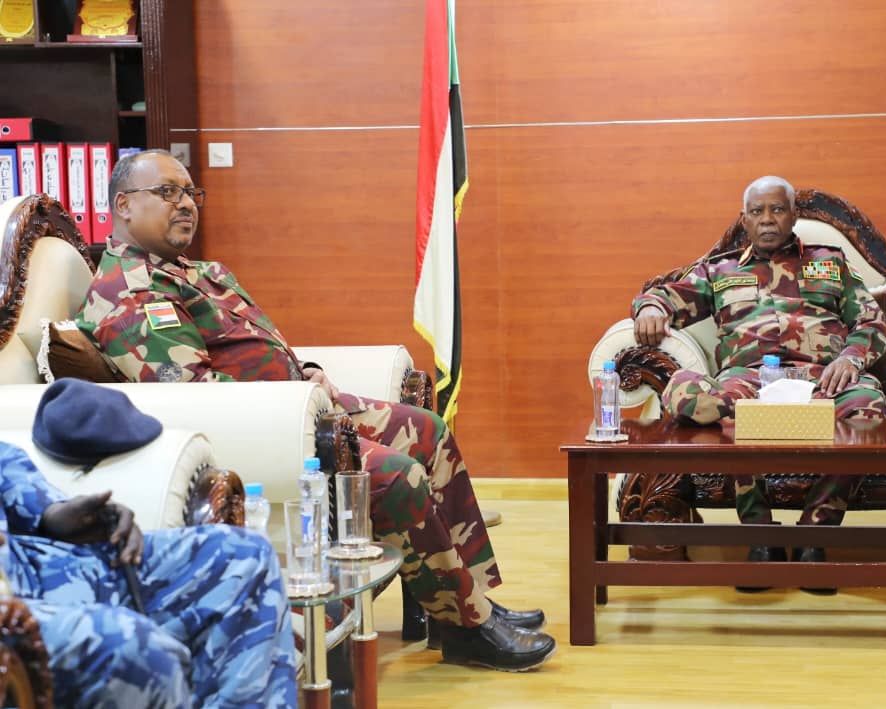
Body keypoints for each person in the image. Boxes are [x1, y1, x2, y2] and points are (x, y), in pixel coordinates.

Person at [75, 149, 555, 671]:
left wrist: (306, 371)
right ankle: (468, 628)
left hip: (296, 405)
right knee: (398, 476)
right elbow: (198, 396)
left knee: (427, 429)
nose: (186, 203)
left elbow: (253, 345)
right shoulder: (129, 293)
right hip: (268, 431)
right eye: (168, 192)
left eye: (191, 193)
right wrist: (296, 399)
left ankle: (470, 601)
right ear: (123, 205)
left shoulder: (197, 270)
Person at [632, 175, 886, 593]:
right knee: (687, 397)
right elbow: (666, 296)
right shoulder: (720, 270)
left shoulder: (829, 262)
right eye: (757, 211)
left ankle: (815, 534)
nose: (767, 219)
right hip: (747, 383)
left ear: (793, 215)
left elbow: (872, 321)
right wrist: (650, 307)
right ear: (745, 219)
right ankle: (760, 533)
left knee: (870, 408)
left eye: (777, 209)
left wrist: (850, 358)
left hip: (821, 381)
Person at [0, 380, 296, 706]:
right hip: (10, 611)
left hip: (31, 564)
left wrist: (55, 514)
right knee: (134, 648)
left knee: (243, 557)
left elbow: (11, 471)